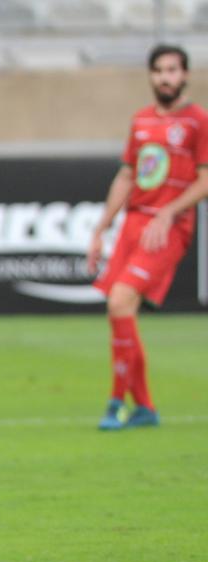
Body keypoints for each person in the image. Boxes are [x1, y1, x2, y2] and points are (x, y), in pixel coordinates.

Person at [86, 44, 208, 430]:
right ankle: (145, 408)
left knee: (120, 300)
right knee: (121, 311)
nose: (165, 77)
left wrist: (170, 212)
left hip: (168, 228)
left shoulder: (197, 121)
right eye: (158, 71)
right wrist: (102, 226)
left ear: (185, 75)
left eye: (172, 70)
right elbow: (127, 175)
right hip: (135, 223)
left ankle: (115, 403)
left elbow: (206, 179)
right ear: (151, 76)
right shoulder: (141, 121)